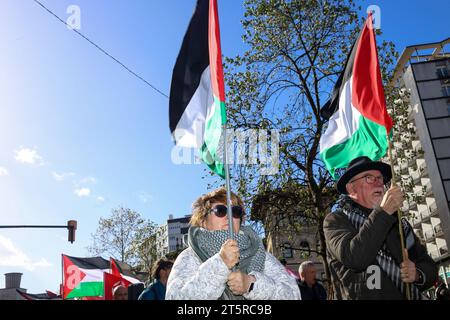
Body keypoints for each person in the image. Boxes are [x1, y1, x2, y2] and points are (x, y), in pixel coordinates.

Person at [323, 156, 438, 299]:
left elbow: (429, 267)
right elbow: (355, 258)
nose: (378, 183)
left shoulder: (399, 224)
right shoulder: (336, 220)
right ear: (351, 188)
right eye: (369, 178)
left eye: (380, 178)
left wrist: (418, 274)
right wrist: (383, 212)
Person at [166, 187, 301, 300]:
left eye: (235, 212)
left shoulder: (259, 253)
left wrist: (252, 284)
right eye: (221, 211)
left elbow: (294, 295)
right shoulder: (190, 256)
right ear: (203, 221)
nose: (229, 217)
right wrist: (220, 263)